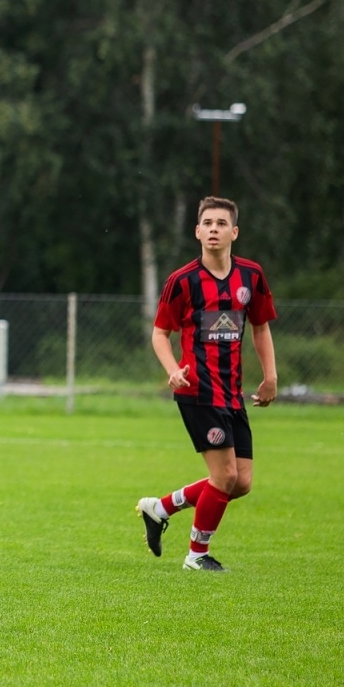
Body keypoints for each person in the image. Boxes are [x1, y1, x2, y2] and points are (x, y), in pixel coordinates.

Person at [136, 196, 278, 572]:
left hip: (232, 393)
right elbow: (159, 333)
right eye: (208, 223)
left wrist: (271, 376)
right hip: (197, 392)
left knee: (240, 482)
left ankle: (160, 508)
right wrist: (172, 369)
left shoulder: (251, 276)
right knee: (225, 476)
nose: (214, 229)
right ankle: (196, 556)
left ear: (235, 232)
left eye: (221, 223)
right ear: (197, 232)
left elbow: (260, 327)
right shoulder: (182, 281)